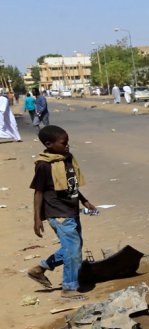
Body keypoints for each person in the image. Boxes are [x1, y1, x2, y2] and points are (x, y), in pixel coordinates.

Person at [27, 126, 97, 301]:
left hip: (71, 210)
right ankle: (69, 289)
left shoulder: (67, 158)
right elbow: (38, 192)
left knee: (73, 247)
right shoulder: (44, 165)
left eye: (67, 142)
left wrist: (83, 200)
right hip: (57, 213)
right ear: (49, 144)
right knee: (73, 250)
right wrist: (37, 219)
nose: (67, 146)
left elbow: (71, 185)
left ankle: (39, 269)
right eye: (63, 143)